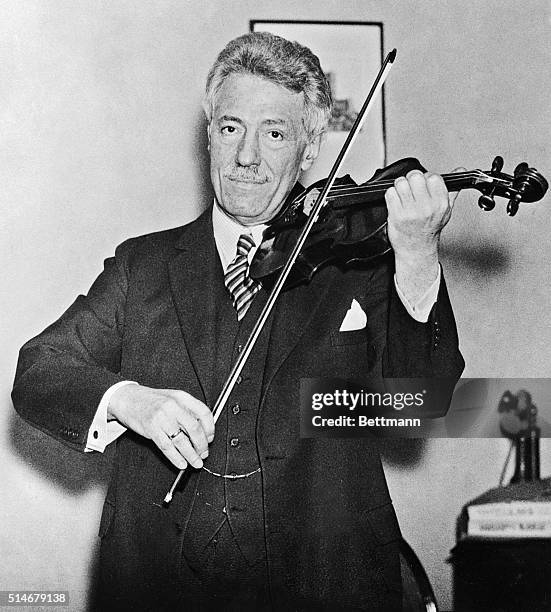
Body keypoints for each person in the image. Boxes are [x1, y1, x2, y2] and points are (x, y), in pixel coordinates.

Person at [12, 32, 464, 611]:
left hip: (328, 587)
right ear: (208, 136)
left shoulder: (365, 262)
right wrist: (128, 400)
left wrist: (419, 255)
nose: (247, 157)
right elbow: (39, 371)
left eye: (274, 133)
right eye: (231, 128)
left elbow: (418, 406)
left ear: (308, 151)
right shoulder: (142, 265)